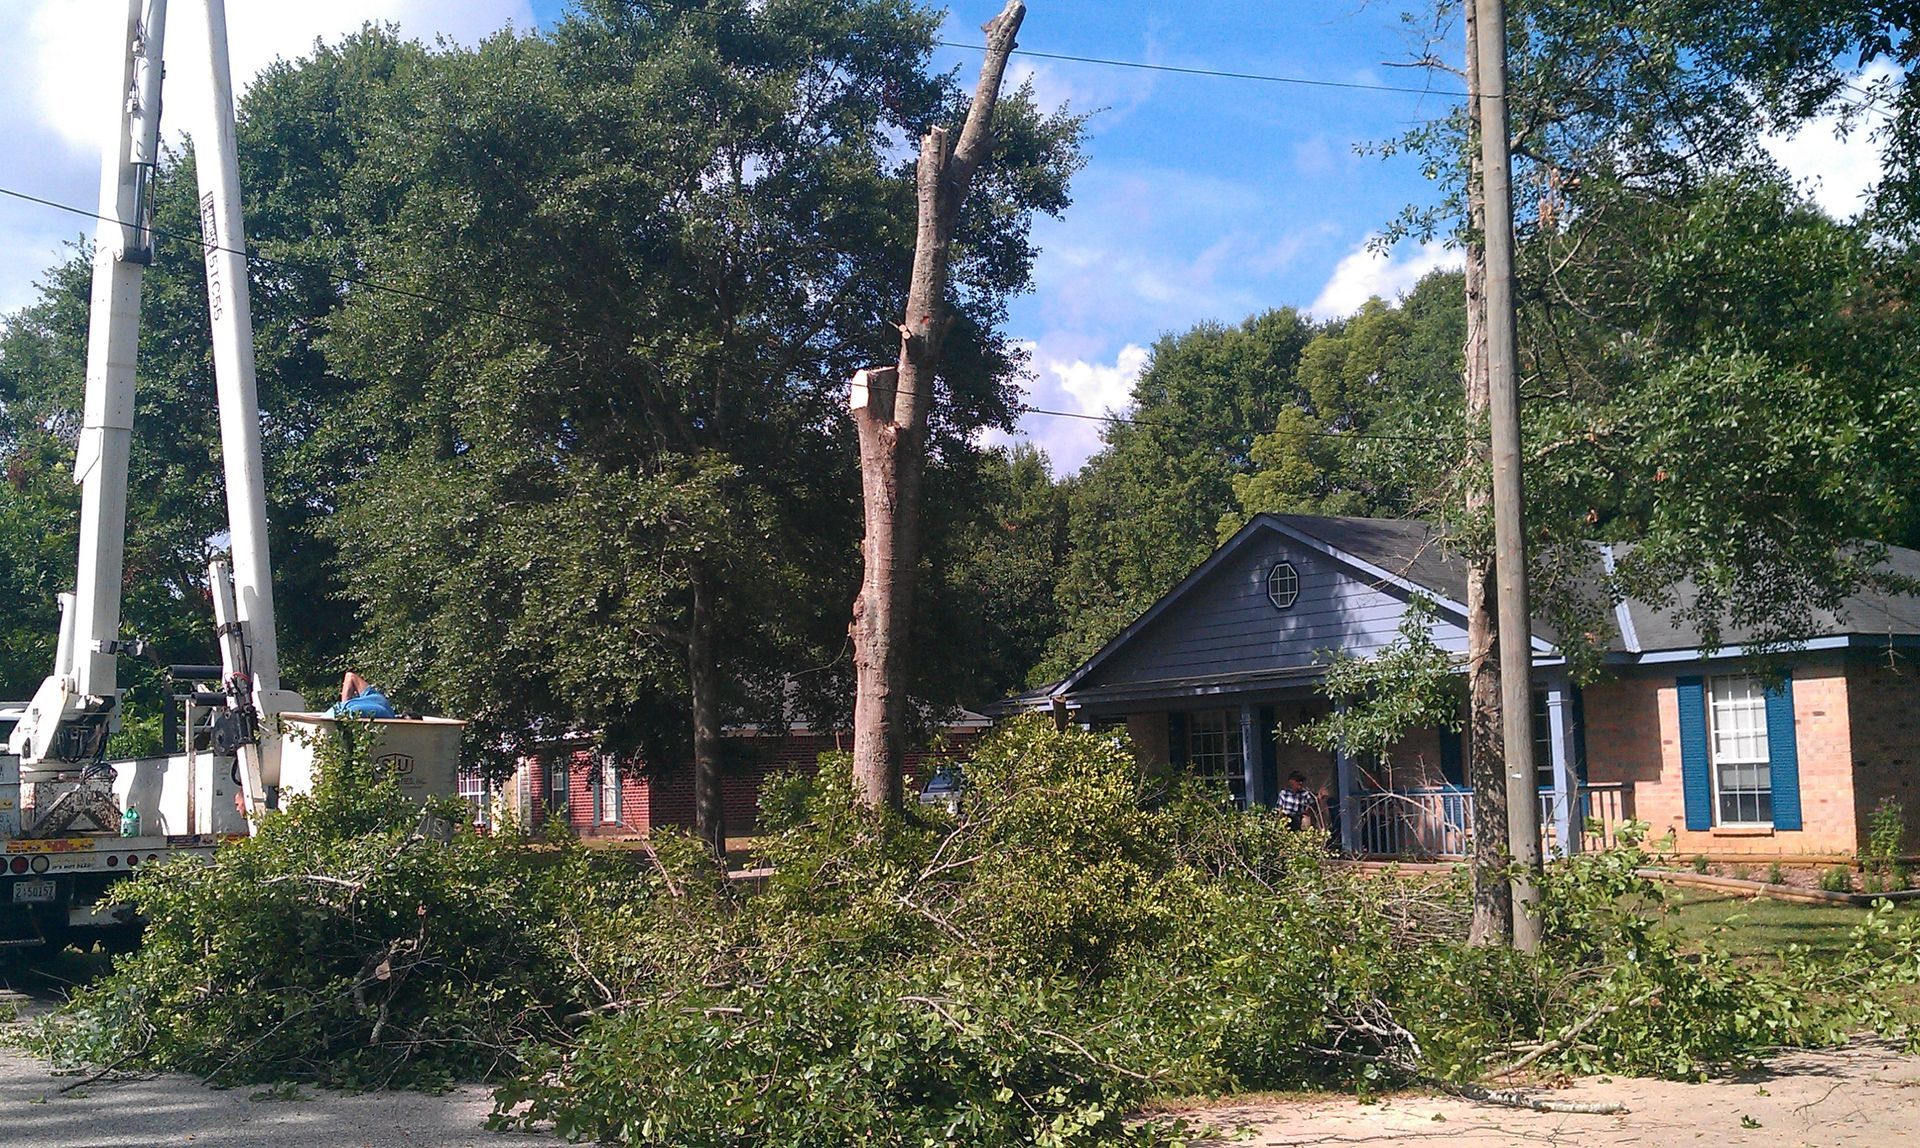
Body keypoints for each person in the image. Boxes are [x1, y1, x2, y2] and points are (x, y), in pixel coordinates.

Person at [327, 670, 396, 719]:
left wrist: (344, 703)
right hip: (343, 714)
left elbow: (350, 676)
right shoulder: (378, 699)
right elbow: (350, 676)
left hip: (340, 713)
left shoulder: (379, 699)